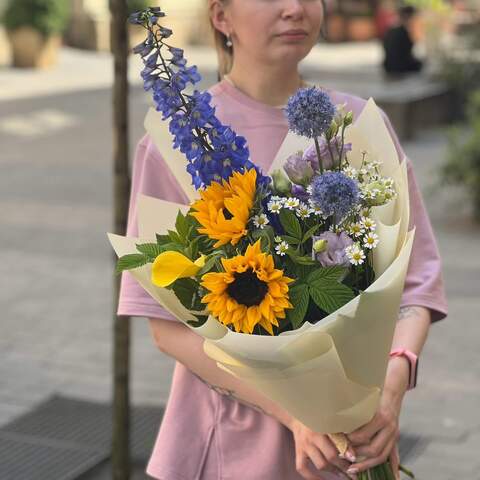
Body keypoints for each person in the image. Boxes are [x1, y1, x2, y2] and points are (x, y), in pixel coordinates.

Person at [117, 1, 448, 479]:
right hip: (225, 446)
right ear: (220, 16)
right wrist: (294, 414)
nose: (294, 9)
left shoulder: (358, 125)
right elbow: (167, 326)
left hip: (356, 443)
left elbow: (415, 284)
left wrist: (391, 390)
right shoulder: (172, 142)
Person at [382, 5, 424, 76]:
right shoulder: (403, 31)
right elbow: (407, 53)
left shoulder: (391, 29)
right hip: (400, 67)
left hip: (388, 67)